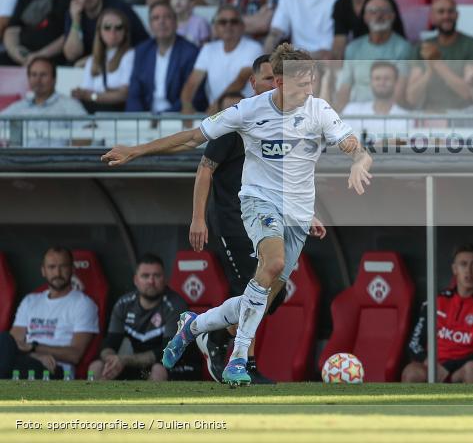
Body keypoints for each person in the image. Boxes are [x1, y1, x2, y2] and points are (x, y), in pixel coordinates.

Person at [102, 44, 373, 386]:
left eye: (311, 83)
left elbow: (353, 146)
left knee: (261, 296)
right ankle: (238, 359)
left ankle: (195, 326)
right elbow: (192, 139)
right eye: (302, 85)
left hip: (297, 216)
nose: (309, 91)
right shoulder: (248, 111)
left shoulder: (319, 111)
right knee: (271, 265)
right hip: (257, 202)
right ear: (279, 82)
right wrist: (136, 150)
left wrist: (360, 161)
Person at [189, 55, 291, 384]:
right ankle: (243, 363)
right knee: (257, 288)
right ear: (253, 83)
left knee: (278, 289)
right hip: (234, 221)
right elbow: (206, 168)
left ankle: (211, 333)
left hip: (264, 220)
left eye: (279, 78)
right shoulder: (238, 119)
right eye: (266, 78)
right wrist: (198, 219)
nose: (273, 84)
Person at [87, 254, 197, 381]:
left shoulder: (176, 305)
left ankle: (148, 401)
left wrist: (124, 359)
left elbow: (167, 352)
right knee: (96, 366)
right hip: (140, 364)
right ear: (135, 280)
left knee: (158, 369)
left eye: (157, 275)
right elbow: (110, 342)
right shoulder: (123, 304)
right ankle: (95, 400)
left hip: (179, 364)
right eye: (145, 276)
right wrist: (111, 359)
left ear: (165, 279)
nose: (151, 281)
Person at [403, 244, 473, 384]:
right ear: (455, 269)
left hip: (460, 370)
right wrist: (429, 363)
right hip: (432, 368)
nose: (469, 270)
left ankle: (467, 407)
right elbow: (414, 344)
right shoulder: (435, 302)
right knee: (411, 372)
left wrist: (448, 367)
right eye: (463, 264)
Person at [0, 247, 98, 380]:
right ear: (43, 271)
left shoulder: (83, 304)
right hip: (26, 361)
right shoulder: (30, 301)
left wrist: (33, 348)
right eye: (51, 267)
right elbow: (13, 343)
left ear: (72, 269)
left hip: (55, 370)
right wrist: (35, 354)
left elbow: (75, 355)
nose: (57, 273)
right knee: (4, 339)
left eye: (63, 267)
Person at [407, 0, 473, 111]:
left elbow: (468, 93)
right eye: (441, 12)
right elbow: (412, 98)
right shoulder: (421, 47)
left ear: (457, 15)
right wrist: (429, 71)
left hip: (463, 113)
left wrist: (437, 64)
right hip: (430, 114)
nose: (446, 16)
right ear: (432, 17)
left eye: (450, 11)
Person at [335, 0, 413, 108]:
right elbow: (345, 87)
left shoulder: (403, 47)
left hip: (389, 110)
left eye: (384, 11)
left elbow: (400, 90)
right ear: (365, 18)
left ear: (392, 16)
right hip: (358, 109)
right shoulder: (353, 48)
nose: (379, 15)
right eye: (373, 12)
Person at [180, 7, 263, 114]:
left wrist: (217, 105)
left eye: (234, 21)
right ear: (215, 27)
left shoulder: (254, 48)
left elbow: (241, 80)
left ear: (242, 26)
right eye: (223, 22)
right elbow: (192, 82)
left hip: (247, 114)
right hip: (217, 116)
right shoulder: (208, 49)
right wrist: (187, 105)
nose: (228, 26)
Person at [125, 2, 201, 113]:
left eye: (167, 17)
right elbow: (134, 93)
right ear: (150, 25)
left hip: (177, 117)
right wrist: (138, 119)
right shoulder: (142, 51)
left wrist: (163, 117)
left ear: (176, 23)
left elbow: (193, 94)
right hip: (147, 117)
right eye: (156, 18)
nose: (161, 22)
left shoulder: (190, 52)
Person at [62, 0, 149, 65]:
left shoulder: (118, 9)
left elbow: (132, 47)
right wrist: (76, 20)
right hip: (87, 67)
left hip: (124, 63)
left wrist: (90, 61)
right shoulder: (74, 12)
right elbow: (71, 55)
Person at [70, 8, 135, 112]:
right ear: (99, 31)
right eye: (107, 27)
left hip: (117, 115)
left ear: (125, 31)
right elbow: (86, 91)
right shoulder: (92, 60)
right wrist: (80, 94)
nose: (112, 31)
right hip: (94, 114)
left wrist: (92, 96)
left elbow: (124, 95)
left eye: (118, 27)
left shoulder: (131, 55)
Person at [341, 61, 411, 143]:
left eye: (387, 79)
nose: (382, 83)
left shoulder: (406, 117)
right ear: (371, 82)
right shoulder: (351, 111)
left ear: (396, 82)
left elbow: (404, 146)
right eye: (377, 78)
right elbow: (337, 144)